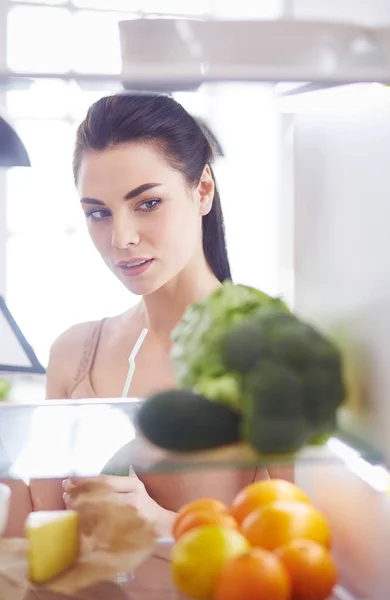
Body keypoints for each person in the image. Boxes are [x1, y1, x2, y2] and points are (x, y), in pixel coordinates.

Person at [28, 93, 292, 539]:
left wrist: (161, 522)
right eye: (98, 213)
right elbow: (36, 539)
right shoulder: (73, 354)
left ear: (202, 190)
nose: (121, 238)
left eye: (147, 203)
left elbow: (294, 547)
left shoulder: (269, 356)